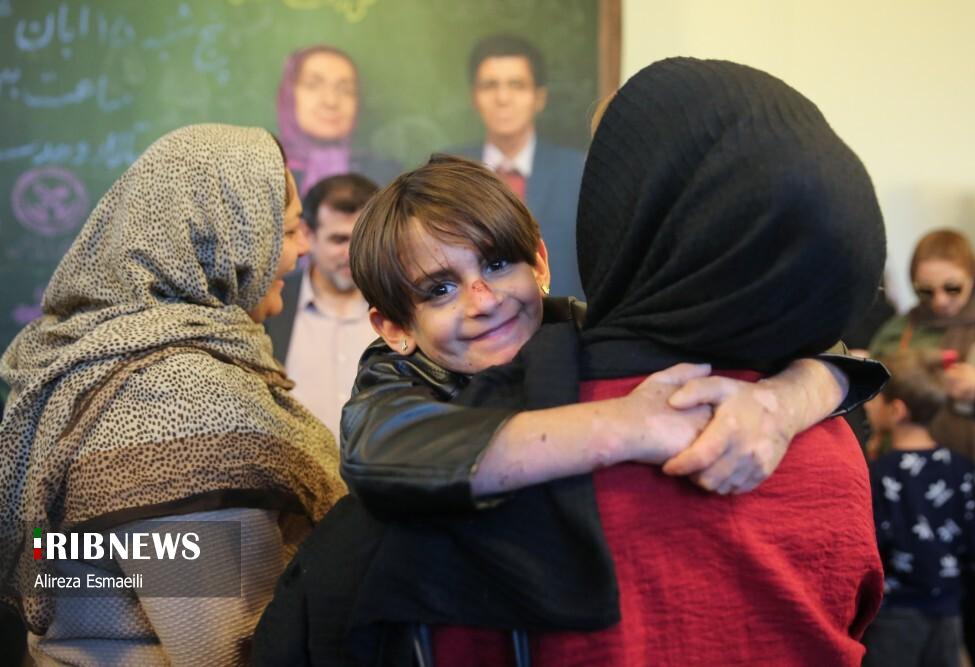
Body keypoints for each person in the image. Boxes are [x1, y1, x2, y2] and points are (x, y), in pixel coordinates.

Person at [254, 58, 887, 665]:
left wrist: (783, 401)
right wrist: (626, 425)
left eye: (498, 263)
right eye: (439, 289)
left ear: (541, 262)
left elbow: (832, 354)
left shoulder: (578, 326)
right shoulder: (396, 371)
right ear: (393, 328)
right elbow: (380, 450)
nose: (483, 300)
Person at [0, 124, 346, 666]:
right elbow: (224, 652)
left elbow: (65, 560)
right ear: (222, 245)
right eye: (287, 231)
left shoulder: (96, 354)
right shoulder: (181, 398)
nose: (302, 250)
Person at [869, 228, 975, 667]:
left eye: (952, 288)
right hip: (908, 488)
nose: (940, 301)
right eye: (925, 291)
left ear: (973, 277)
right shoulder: (901, 330)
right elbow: (875, 394)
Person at [863, 350, 975, 667]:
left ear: (897, 410)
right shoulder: (961, 468)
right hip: (948, 609)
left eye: (875, 399)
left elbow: (872, 546)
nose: (869, 405)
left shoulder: (879, 473)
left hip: (895, 613)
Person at [450, 33, 586, 298]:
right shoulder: (450, 174)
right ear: (474, 97)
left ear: (539, 98)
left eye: (517, 85)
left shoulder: (578, 173)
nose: (503, 98)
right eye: (490, 85)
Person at [266, 172, 380, 436]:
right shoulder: (272, 305)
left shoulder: (400, 308)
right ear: (307, 234)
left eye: (361, 239)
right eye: (338, 240)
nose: (351, 254)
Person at [276, 45, 401, 193]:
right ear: (288, 95)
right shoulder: (269, 171)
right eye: (313, 85)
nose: (331, 101)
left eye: (346, 90)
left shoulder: (387, 176)